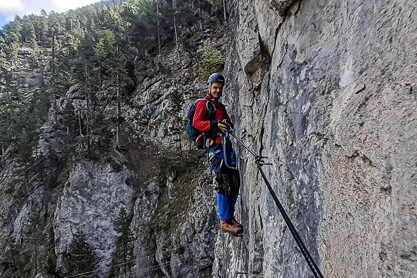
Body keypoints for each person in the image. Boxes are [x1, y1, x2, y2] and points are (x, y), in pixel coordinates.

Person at [192, 73, 243, 236]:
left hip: (225, 146)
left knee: (234, 181)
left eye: (220, 88)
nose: (217, 90)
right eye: (215, 88)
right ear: (209, 87)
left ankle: (230, 217)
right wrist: (215, 124)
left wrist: (226, 125)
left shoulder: (219, 107)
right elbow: (196, 123)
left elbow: (228, 122)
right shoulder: (203, 104)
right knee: (223, 181)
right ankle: (224, 221)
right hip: (214, 148)